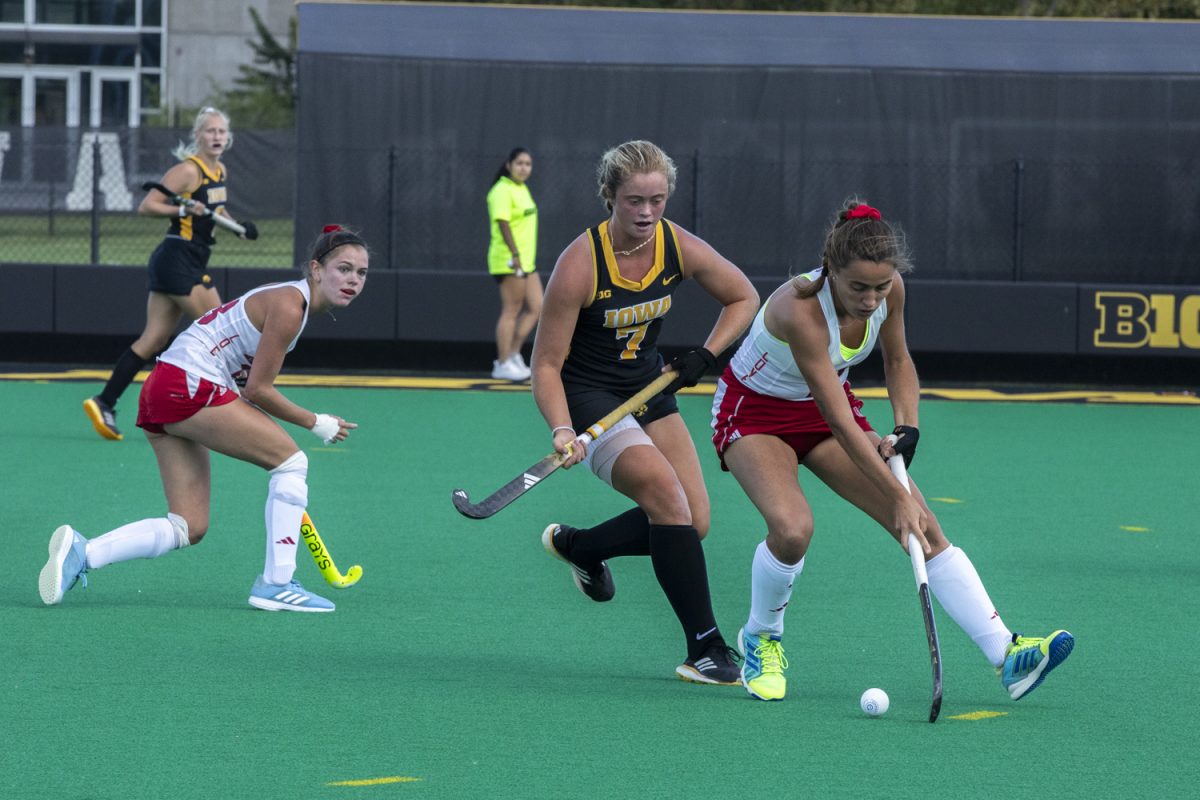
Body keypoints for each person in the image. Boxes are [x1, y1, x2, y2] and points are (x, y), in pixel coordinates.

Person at [710, 199, 1074, 701]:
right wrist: (895, 496)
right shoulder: (796, 308)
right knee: (793, 530)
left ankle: (1008, 656)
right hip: (754, 412)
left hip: (824, 407)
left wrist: (907, 425)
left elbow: (898, 360)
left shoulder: (890, 290)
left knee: (924, 527)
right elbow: (839, 420)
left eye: (880, 287)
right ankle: (761, 638)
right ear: (831, 270)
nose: (870, 298)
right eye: (858, 287)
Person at [41, 225, 368, 612]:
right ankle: (276, 583)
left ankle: (83, 552)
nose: (352, 280)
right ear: (316, 269)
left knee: (188, 526)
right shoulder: (289, 306)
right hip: (188, 384)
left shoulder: (289, 304)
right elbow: (258, 391)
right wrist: (317, 422)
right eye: (343, 269)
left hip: (165, 387)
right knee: (291, 461)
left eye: (361, 273)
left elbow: (246, 381)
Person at [531, 140, 760, 685]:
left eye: (657, 200)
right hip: (588, 395)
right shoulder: (580, 263)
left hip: (648, 387)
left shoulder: (674, 244)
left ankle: (579, 547)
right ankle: (704, 647)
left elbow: (744, 297)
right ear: (609, 196)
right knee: (664, 496)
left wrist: (706, 353)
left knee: (693, 520)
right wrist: (564, 428)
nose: (647, 212)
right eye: (634, 200)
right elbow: (545, 364)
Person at [83, 106, 258, 441]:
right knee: (220, 333)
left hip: (188, 259)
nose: (217, 137)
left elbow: (215, 209)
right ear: (198, 136)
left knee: (154, 340)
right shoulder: (188, 172)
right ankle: (230, 409)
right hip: (177, 257)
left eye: (222, 132)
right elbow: (147, 206)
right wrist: (181, 208)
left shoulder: (219, 170)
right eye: (210, 131)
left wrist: (238, 228)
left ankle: (104, 401)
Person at [486, 147, 542, 381]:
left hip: (526, 261)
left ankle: (513, 354)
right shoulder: (501, 189)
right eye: (519, 163)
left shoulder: (522, 189)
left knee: (538, 307)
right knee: (512, 310)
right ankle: (501, 363)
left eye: (527, 164)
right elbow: (502, 223)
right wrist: (515, 253)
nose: (523, 168)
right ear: (509, 165)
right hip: (509, 259)